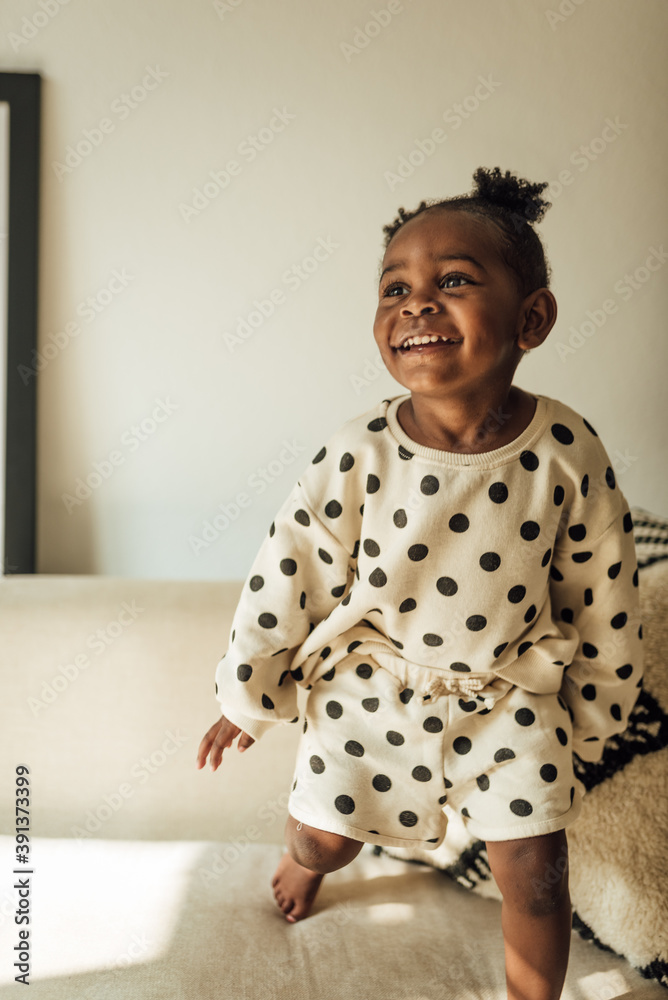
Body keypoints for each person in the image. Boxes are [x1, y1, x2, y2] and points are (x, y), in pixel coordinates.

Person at [196, 166, 643, 1000]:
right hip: (370, 689)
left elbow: (602, 583)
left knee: (537, 872)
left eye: (455, 281)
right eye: (394, 288)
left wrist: (599, 707)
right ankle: (309, 861)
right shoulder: (358, 451)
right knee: (324, 841)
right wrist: (247, 694)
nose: (416, 304)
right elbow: (290, 571)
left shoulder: (566, 449)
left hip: (509, 695)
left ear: (532, 318)